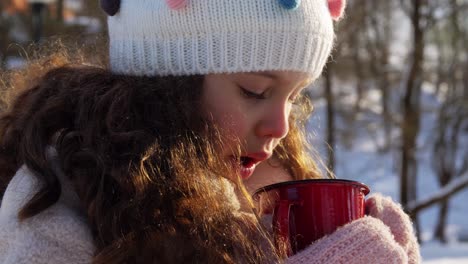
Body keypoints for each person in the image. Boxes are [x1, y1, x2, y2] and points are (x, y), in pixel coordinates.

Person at [0, 0, 421, 263]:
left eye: (294, 97)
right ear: (166, 86)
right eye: (255, 90)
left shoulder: (274, 186)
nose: (281, 127)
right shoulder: (56, 203)